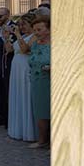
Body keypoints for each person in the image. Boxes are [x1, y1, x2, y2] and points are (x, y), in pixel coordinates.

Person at [7, 15, 37, 141]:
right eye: (19, 24)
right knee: (17, 95)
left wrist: (18, 35)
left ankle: (29, 131)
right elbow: (9, 49)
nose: (21, 27)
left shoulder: (34, 36)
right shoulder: (23, 36)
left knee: (26, 95)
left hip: (25, 67)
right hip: (16, 68)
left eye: (24, 24)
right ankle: (17, 129)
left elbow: (25, 49)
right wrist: (6, 38)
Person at [26, 13, 52, 149]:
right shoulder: (35, 44)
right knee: (40, 112)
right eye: (35, 30)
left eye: (39, 29)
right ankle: (42, 140)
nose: (36, 33)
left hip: (51, 82)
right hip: (37, 81)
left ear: (49, 29)